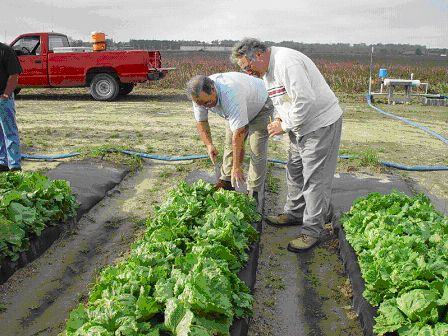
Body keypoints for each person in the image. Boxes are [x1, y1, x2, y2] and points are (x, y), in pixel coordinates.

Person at [231, 38, 343, 252]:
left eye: (248, 67)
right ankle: (295, 212)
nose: (248, 72)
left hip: (320, 124)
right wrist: (281, 120)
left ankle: (312, 231)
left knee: (315, 180)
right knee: (294, 169)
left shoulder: (286, 63)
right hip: (299, 126)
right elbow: (281, 100)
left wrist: (285, 125)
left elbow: (305, 100)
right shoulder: (266, 72)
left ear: (260, 55)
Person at [186, 72, 273, 201]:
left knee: (256, 149)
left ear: (213, 89)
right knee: (229, 144)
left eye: (208, 102)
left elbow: (239, 134)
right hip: (238, 107)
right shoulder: (198, 96)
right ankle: (226, 181)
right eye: (202, 104)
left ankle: (254, 191)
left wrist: (237, 167)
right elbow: (201, 121)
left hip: (261, 106)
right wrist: (209, 145)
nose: (206, 106)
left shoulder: (230, 93)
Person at [0, 42, 22, 172]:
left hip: (4, 98)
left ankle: (14, 165)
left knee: (9, 131)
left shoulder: (6, 51)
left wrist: (6, 95)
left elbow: (14, 76)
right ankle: (2, 162)